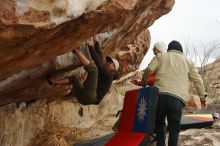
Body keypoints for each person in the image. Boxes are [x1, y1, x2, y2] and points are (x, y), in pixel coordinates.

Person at [141, 40, 206, 146]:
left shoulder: (161, 56)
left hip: (159, 97)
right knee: (174, 129)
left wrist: (144, 82)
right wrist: (203, 98)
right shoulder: (188, 62)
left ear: (169, 49)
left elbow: (149, 69)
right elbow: (198, 81)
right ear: (181, 51)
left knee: (159, 125)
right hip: (177, 99)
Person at [49, 38, 120, 105]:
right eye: (108, 61)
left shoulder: (110, 75)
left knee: (93, 69)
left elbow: (98, 63)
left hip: (91, 96)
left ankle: (76, 50)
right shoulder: (106, 73)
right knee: (74, 79)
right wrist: (96, 42)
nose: (107, 62)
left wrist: (90, 45)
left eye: (110, 62)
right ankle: (54, 82)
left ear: (114, 68)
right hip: (83, 99)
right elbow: (100, 59)